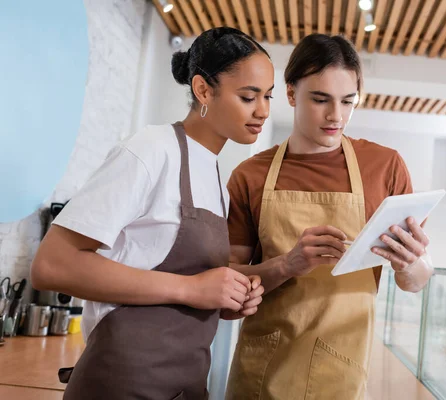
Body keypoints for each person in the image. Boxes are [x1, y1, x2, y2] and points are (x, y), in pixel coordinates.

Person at [31, 27, 273, 400]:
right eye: (248, 96)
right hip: (123, 382)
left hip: (184, 383)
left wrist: (229, 296)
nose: (263, 111)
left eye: (268, 97)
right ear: (203, 90)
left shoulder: (211, 173)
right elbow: (52, 264)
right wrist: (191, 288)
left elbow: (184, 284)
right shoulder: (151, 150)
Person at [224, 34, 434, 400]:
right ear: (290, 94)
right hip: (263, 374)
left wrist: (409, 264)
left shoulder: (385, 168)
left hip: (343, 371)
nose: (336, 116)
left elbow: (416, 280)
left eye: (347, 101)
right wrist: (287, 265)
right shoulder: (250, 174)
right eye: (320, 100)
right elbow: (227, 287)